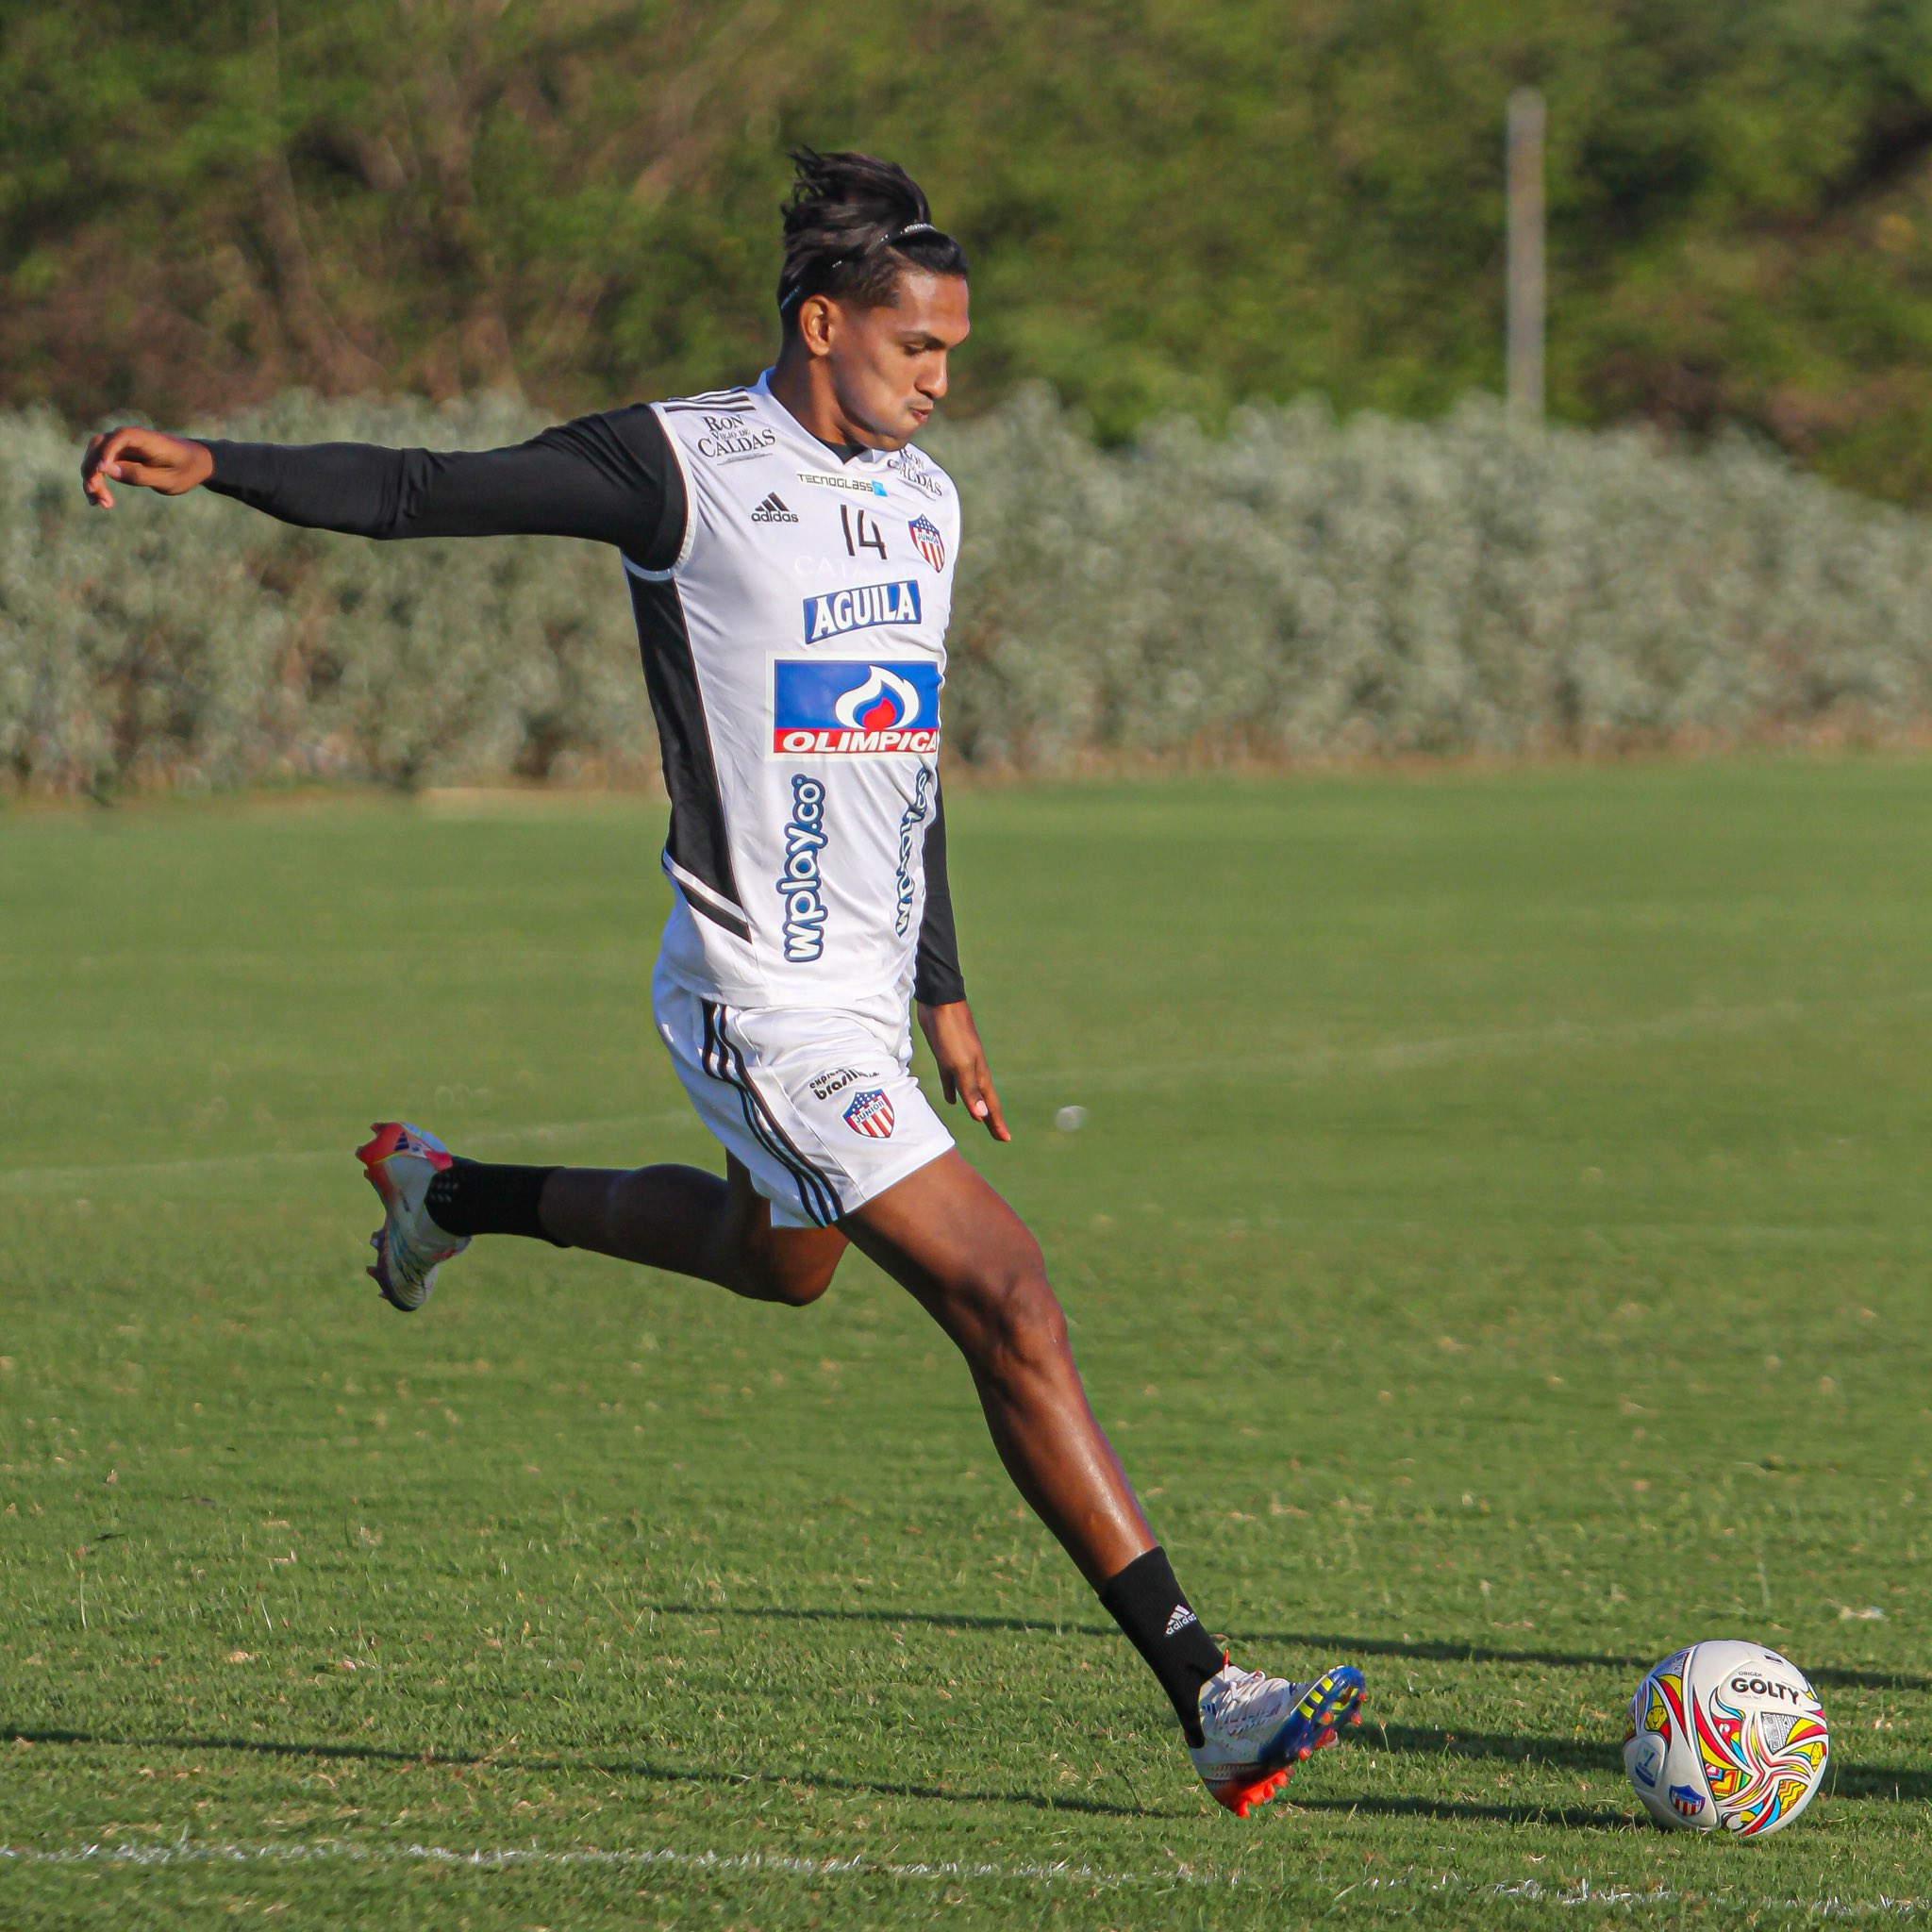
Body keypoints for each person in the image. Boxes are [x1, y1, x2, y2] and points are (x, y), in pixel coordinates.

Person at [79, 146, 1363, 1816]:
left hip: (865, 1000)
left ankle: (448, 1194)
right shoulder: (678, 464)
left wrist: (943, 987)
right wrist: (220, 464)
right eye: (918, 347)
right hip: (756, 999)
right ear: (822, 323)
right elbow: (422, 488)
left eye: (956, 352)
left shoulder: (929, 503)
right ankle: (1212, 1694)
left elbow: (904, 754)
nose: (942, 380)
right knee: (1010, 1297)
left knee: (780, 1267)